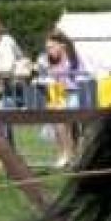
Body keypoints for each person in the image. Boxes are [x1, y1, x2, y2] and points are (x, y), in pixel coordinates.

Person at [35, 29, 83, 168]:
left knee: (62, 113)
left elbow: (81, 78)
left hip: (75, 94)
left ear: (62, 45)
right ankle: (64, 153)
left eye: (51, 47)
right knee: (55, 113)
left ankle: (68, 154)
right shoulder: (46, 60)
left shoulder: (74, 59)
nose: (48, 50)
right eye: (47, 48)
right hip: (57, 95)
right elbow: (41, 75)